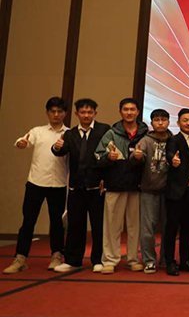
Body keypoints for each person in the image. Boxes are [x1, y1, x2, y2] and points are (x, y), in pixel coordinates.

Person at [4, 97, 69, 274]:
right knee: (28, 221)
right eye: (53, 111)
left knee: (57, 223)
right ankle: (20, 258)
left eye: (60, 111)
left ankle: (57, 256)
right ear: (47, 113)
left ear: (65, 113)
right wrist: (21, 143)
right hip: (35, 183)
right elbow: (23, 141)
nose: (56, 115)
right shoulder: (37, 131)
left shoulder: (69, 133)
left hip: (58, 183)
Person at [51, 98, 110, 273]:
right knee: (75, 225)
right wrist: (56, 147)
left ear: (95, 113)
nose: (86, 115)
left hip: (97, 187)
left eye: (90, 112)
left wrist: (105, 179)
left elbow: (108, 155)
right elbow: (60, 151)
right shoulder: (70, 134)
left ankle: (98, 260)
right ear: (77, 114)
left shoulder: (104, 130)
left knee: (98, 225)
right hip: (76, 186)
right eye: (83, 112)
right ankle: (73, 260)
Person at [95, 98, 148, 274]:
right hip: (115, 185)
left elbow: (153, 159)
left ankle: (133, 259)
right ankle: (110, 260)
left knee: (135, 227)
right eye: (126, 109)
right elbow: (98, 156)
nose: (129, 112)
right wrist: (107, 158)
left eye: (132, 109)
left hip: (137, 186)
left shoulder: (145, 134)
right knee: (112, 226)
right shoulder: (112, 133)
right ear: (120, 112)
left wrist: (141, 158)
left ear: (138, 112)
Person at [164, 108, 189, 276]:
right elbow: (170, 154)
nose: (188, 123)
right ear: (178, 122)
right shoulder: (173, 140)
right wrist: (172, 160)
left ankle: (185, 261)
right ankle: (169, 262)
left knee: (188, 229)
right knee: (172, 229)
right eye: (185, 120)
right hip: (177, 192)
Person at [132, 108, 171, 274]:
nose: (160, 123)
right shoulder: (145, 140)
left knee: (169, 228)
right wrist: (137, 157)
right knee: (148, 229)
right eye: (157, 120)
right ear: (152, 123)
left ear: (169, 122)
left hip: (169, 192)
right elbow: (135, 160)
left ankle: (166, 259)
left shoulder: (174, 140)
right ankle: (149, 260)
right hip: (149, 190)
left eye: (163, 119)